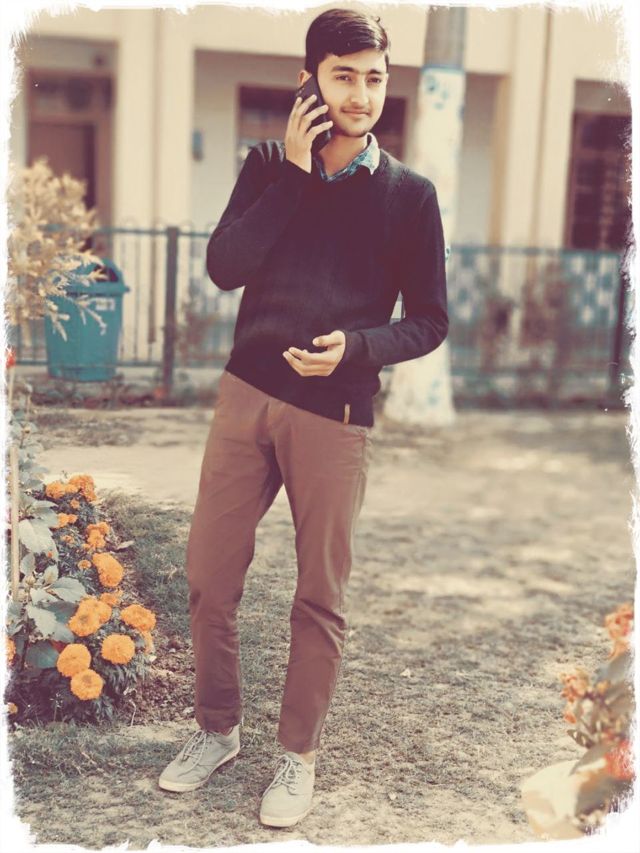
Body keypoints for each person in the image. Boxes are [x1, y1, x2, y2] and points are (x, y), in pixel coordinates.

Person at [158, 6, 448, 828]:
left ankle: (297, 755)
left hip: (336, 413)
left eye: (374, 79)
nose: (360, 94)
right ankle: (217, 730)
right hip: (245, 395)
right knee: (210, 574)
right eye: (343, 76)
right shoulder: (264, 165)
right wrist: (290, 175)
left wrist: (356, 347)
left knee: (319, 595)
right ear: (309, 81)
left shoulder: (410, 196)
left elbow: (430, 320)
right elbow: (224, 268)